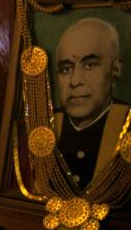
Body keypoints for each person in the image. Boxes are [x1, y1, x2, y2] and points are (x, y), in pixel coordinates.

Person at [53, 17, 128, 188]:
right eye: (66, 69)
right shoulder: (44, 124)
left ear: (115, 70)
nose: (75, 81)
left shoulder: (127, 122)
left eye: (89, 65)